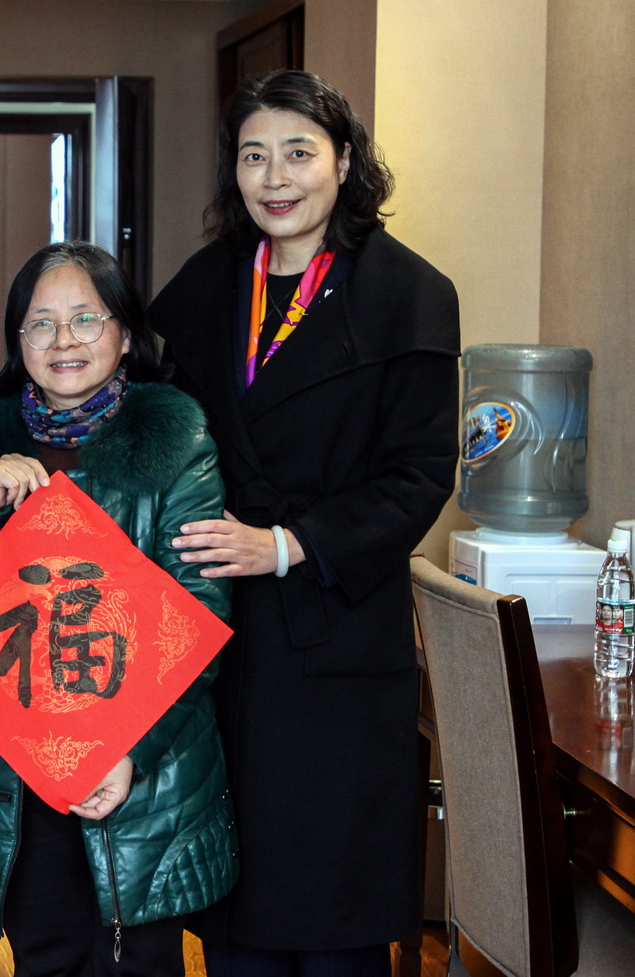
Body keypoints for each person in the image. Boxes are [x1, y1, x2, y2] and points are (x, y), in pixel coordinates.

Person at [149, 70, 460, 977]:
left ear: (345, 161)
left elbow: (419, 475)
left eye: (297, 152)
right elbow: (154, 424)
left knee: (333, 926)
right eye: (253, 156)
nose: (274, 177)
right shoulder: (209, 282)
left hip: (335, 637)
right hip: (218, 631)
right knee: (235, 920)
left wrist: (287, 545)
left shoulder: (407, 292)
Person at [0, 241, 237, 977]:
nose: (63, 341)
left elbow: (199, 617)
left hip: (144, 771)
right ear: (17, 340)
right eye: (41, 323)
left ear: (124, 332)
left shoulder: (176, 441)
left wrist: (129, 750)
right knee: (45, 955)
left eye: (86, 318)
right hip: (17, 770)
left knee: (137, 963)